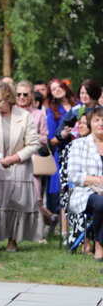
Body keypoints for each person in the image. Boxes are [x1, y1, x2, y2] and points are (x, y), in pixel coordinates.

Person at [0, 80, 43, 252]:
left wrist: (14, 158)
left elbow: (34, 143)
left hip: (18, 166)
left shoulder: (24, 116)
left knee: (16, 204)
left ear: (9, 99)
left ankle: (13, 241)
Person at [68, 107, 103, 261]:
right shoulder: (79, 145)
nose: (101, 123)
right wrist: (98, 180)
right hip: (86, 192)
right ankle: (100, 246)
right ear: (90, 123)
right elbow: (73, 175)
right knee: (101, 203)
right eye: (97, 120)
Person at [45, 79, 79, 218]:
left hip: (82, 148)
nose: (57, 90)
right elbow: (52, 140)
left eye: (59, 87)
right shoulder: (51, 111)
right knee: (64, 190)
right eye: (53, 89)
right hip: (64, 151)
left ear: (65, 87)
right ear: (51, 94)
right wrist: (62, 135)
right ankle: (64, 229)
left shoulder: (78, 104)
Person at [16, 80, 48, 210]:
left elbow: (44, 138)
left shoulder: (39, 114)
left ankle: (36, 229)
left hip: (32, 160)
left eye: (25, 94)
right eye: (18, 94)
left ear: (31, 95)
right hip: (12, 160)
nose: (22, 97)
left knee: (35, 198)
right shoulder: (10, 113)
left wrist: (28, 139)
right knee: (15, 197)